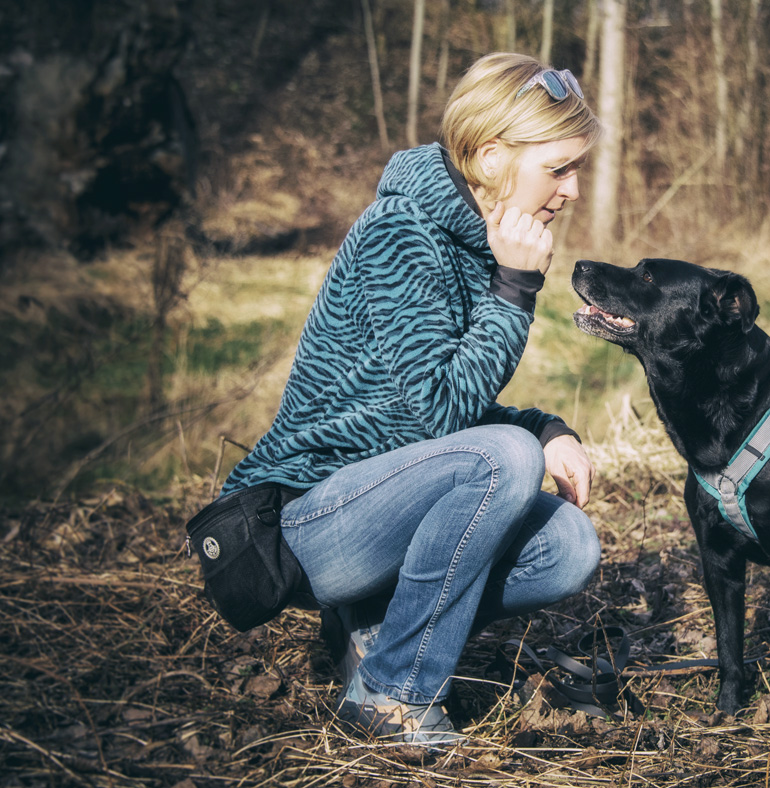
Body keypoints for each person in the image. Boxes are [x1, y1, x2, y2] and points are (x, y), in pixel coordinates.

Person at [219, 52, 603, 745]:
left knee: (568, 546)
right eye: (558, 167)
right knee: (501, 460)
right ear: (490, 158)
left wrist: (546, 428)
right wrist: (515, 291)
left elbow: (428, 412)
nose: (572, 190)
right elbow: (438, 418)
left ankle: (375, 625)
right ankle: (393, 691)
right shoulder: (402, 233)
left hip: (378, 505)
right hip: (303, 520)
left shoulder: (469, 241)